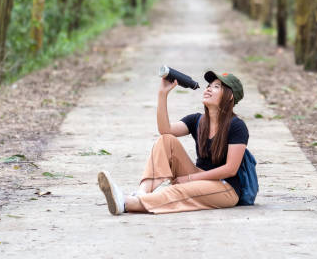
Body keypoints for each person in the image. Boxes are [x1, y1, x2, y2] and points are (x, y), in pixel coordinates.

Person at [97, 70, 248, 215]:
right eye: (209, 85)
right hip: (200, 177)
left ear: (229, 97)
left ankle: (126, 203)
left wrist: (189, 179)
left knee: (179, 191)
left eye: (216, 87)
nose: (208, 89)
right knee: (166, 140)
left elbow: (230, 169)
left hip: (225, 187)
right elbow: (165, 130)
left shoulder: (236, 126)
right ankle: (142, 192)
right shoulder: (198, 120)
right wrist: (163, 94)